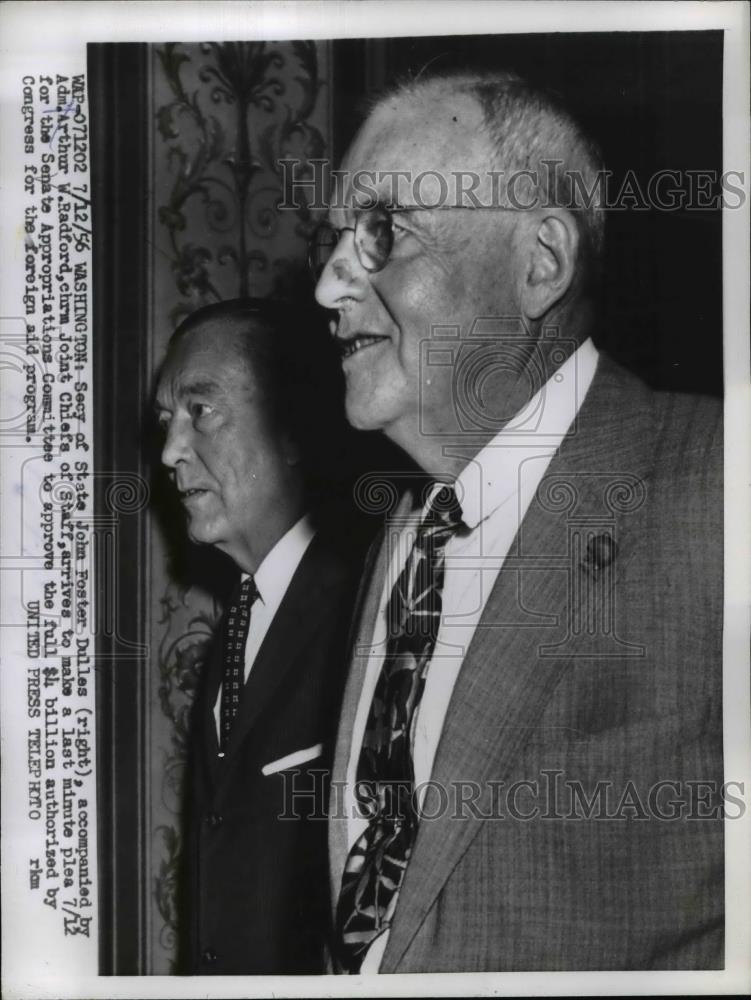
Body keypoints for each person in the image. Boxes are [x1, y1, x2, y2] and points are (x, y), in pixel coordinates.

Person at [312, 70, 724, 972]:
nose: (327, 285)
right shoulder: (399, 544)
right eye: (336, 238)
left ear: (539, 262)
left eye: (383, 231)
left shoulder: (716, 482)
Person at [154, 298, 367, 974]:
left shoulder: (364, 613)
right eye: (166, 421)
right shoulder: (232, 636)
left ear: (292, 426)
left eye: (200, 412)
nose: (169, 452)